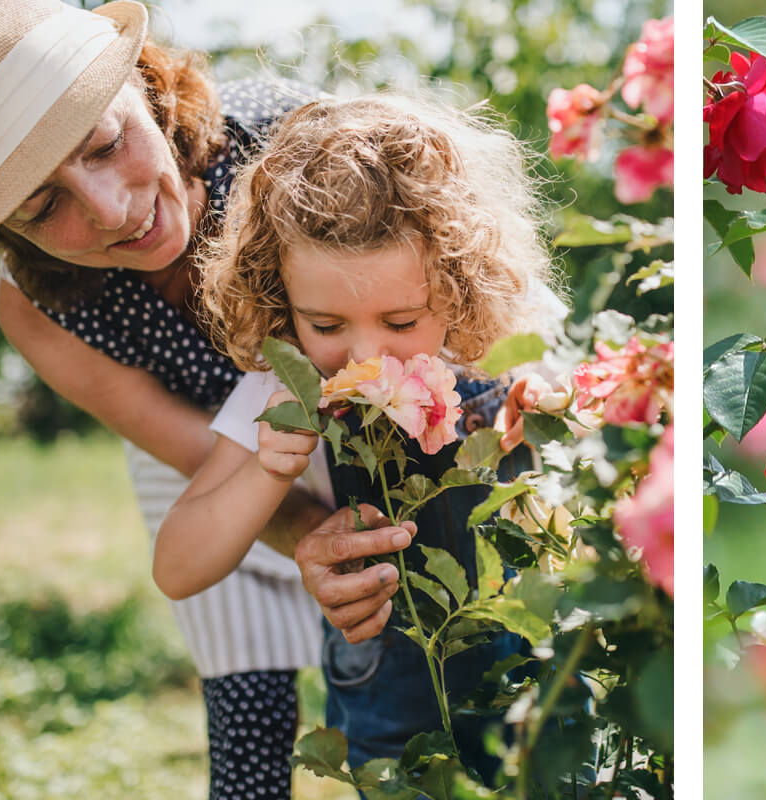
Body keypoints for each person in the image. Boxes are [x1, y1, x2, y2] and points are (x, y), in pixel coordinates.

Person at [0, 2, 410, 796]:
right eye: (43, 207)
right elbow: (189, 452)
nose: (112, 209)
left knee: (412, 663)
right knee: (247, 708)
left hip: (364, 408)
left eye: (109, 145)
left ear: (147, 88)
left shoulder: (293, 145)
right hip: (203, 452)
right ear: (3, 233)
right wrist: (307, 541)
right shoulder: (39, 308)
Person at [172, 92, 563, 779]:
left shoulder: (498, 341)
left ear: (456, 280)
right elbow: (179, 565)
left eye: (403, 320)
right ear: (280, 300)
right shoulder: (285, 382)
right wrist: (267, 470)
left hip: (531, 663)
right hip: (386, 682)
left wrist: (552, 407)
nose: (365, 356)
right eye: (326, 326)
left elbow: (608, 433)